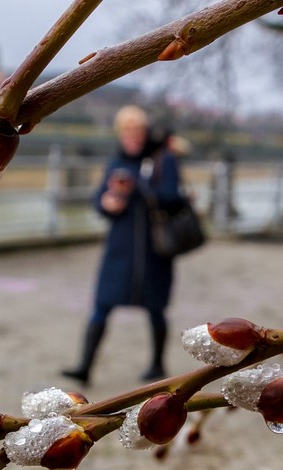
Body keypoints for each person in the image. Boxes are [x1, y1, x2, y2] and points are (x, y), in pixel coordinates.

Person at [61, 105, 186, 386]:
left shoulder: (163, 159)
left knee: (156, 308)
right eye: (126, 130)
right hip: (120, 248)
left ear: (145, 132)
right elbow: (98, 200)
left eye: (137, 129)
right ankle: (85, 366)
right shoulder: (115, 161)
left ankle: (156, 364)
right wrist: (107, 204)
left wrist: (138, 187)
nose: (131, 135)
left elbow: (173, 199)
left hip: (155, 250)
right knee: (101, 305)